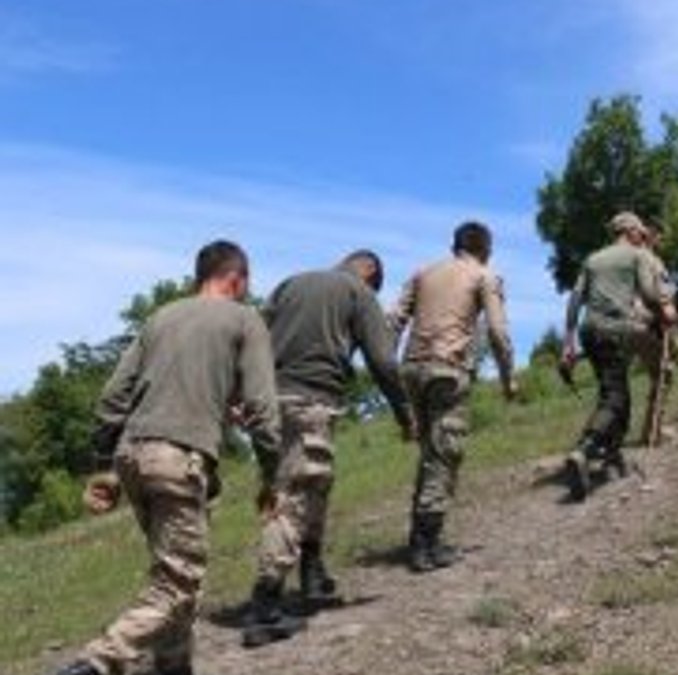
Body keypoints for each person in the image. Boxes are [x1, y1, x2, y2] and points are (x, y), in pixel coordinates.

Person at [58, 241, 283, 675]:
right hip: (179, 460)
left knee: (174, 575)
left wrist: (103, 466)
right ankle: (96, 663)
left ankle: (173, 667)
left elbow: (111, 398)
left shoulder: (160, 317)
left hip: (132, 457)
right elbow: (264, 408)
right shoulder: (245, 318)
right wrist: (271, 478)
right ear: (237, 279)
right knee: (177, 584)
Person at [242, 250, 415, 647]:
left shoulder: (290, 283)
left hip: (269, 401)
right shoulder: (358, 291)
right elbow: (383, 361)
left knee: (314, 483)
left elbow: (252, 337)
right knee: (296, 495)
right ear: (370, 273)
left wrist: (243, 393)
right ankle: (265, 604)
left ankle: (312, 573)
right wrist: (405, 414)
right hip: (310, 400)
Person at [390, 221, 517, 573]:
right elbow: (497, 331)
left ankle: (421, 535)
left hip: (411, 371)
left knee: (431, 454)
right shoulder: (484, 276)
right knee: (445, 455)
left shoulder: (423, 272)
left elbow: (394, 321)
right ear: (486, 249)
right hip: (447, 370)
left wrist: (389, 373)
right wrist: (508, 378)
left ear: (454, 246)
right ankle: (425, 545)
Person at [561, 211, 677, 502]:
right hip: (616, 329)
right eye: (640, 231)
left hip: (589, 329)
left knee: (614, 392)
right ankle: (584, 449)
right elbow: (650, 292)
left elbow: (575, 299)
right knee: (615, 398)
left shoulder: (593, 259)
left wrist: (568, 341)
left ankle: (612, 457)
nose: (643, 236)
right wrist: (667, 310)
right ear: (631, 231)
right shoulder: (636, 256)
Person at [631, 220, 678, 447]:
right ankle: (652, 432)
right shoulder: (649, 259)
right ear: (649, 235)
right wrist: (666, 312)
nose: (661, 240)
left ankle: (651, 429)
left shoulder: (626, 258)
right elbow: (657, 292)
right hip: (647, 321)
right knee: (664, 373)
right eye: (659, 235)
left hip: (624, 322)